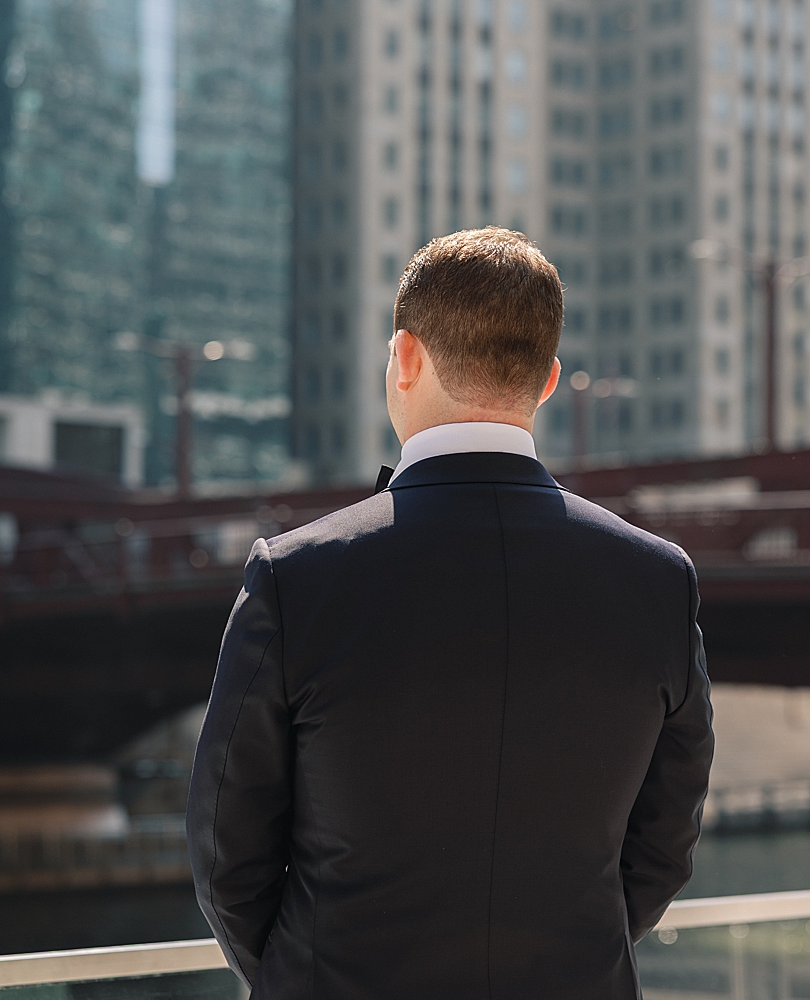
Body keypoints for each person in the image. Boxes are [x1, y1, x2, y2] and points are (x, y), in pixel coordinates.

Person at [187, 228, 714, 999]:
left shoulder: (293, 578)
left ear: (403, 356)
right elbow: (665, 842)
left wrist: (304, 972)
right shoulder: (658, 580)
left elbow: (225, 851)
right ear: (547, 382)